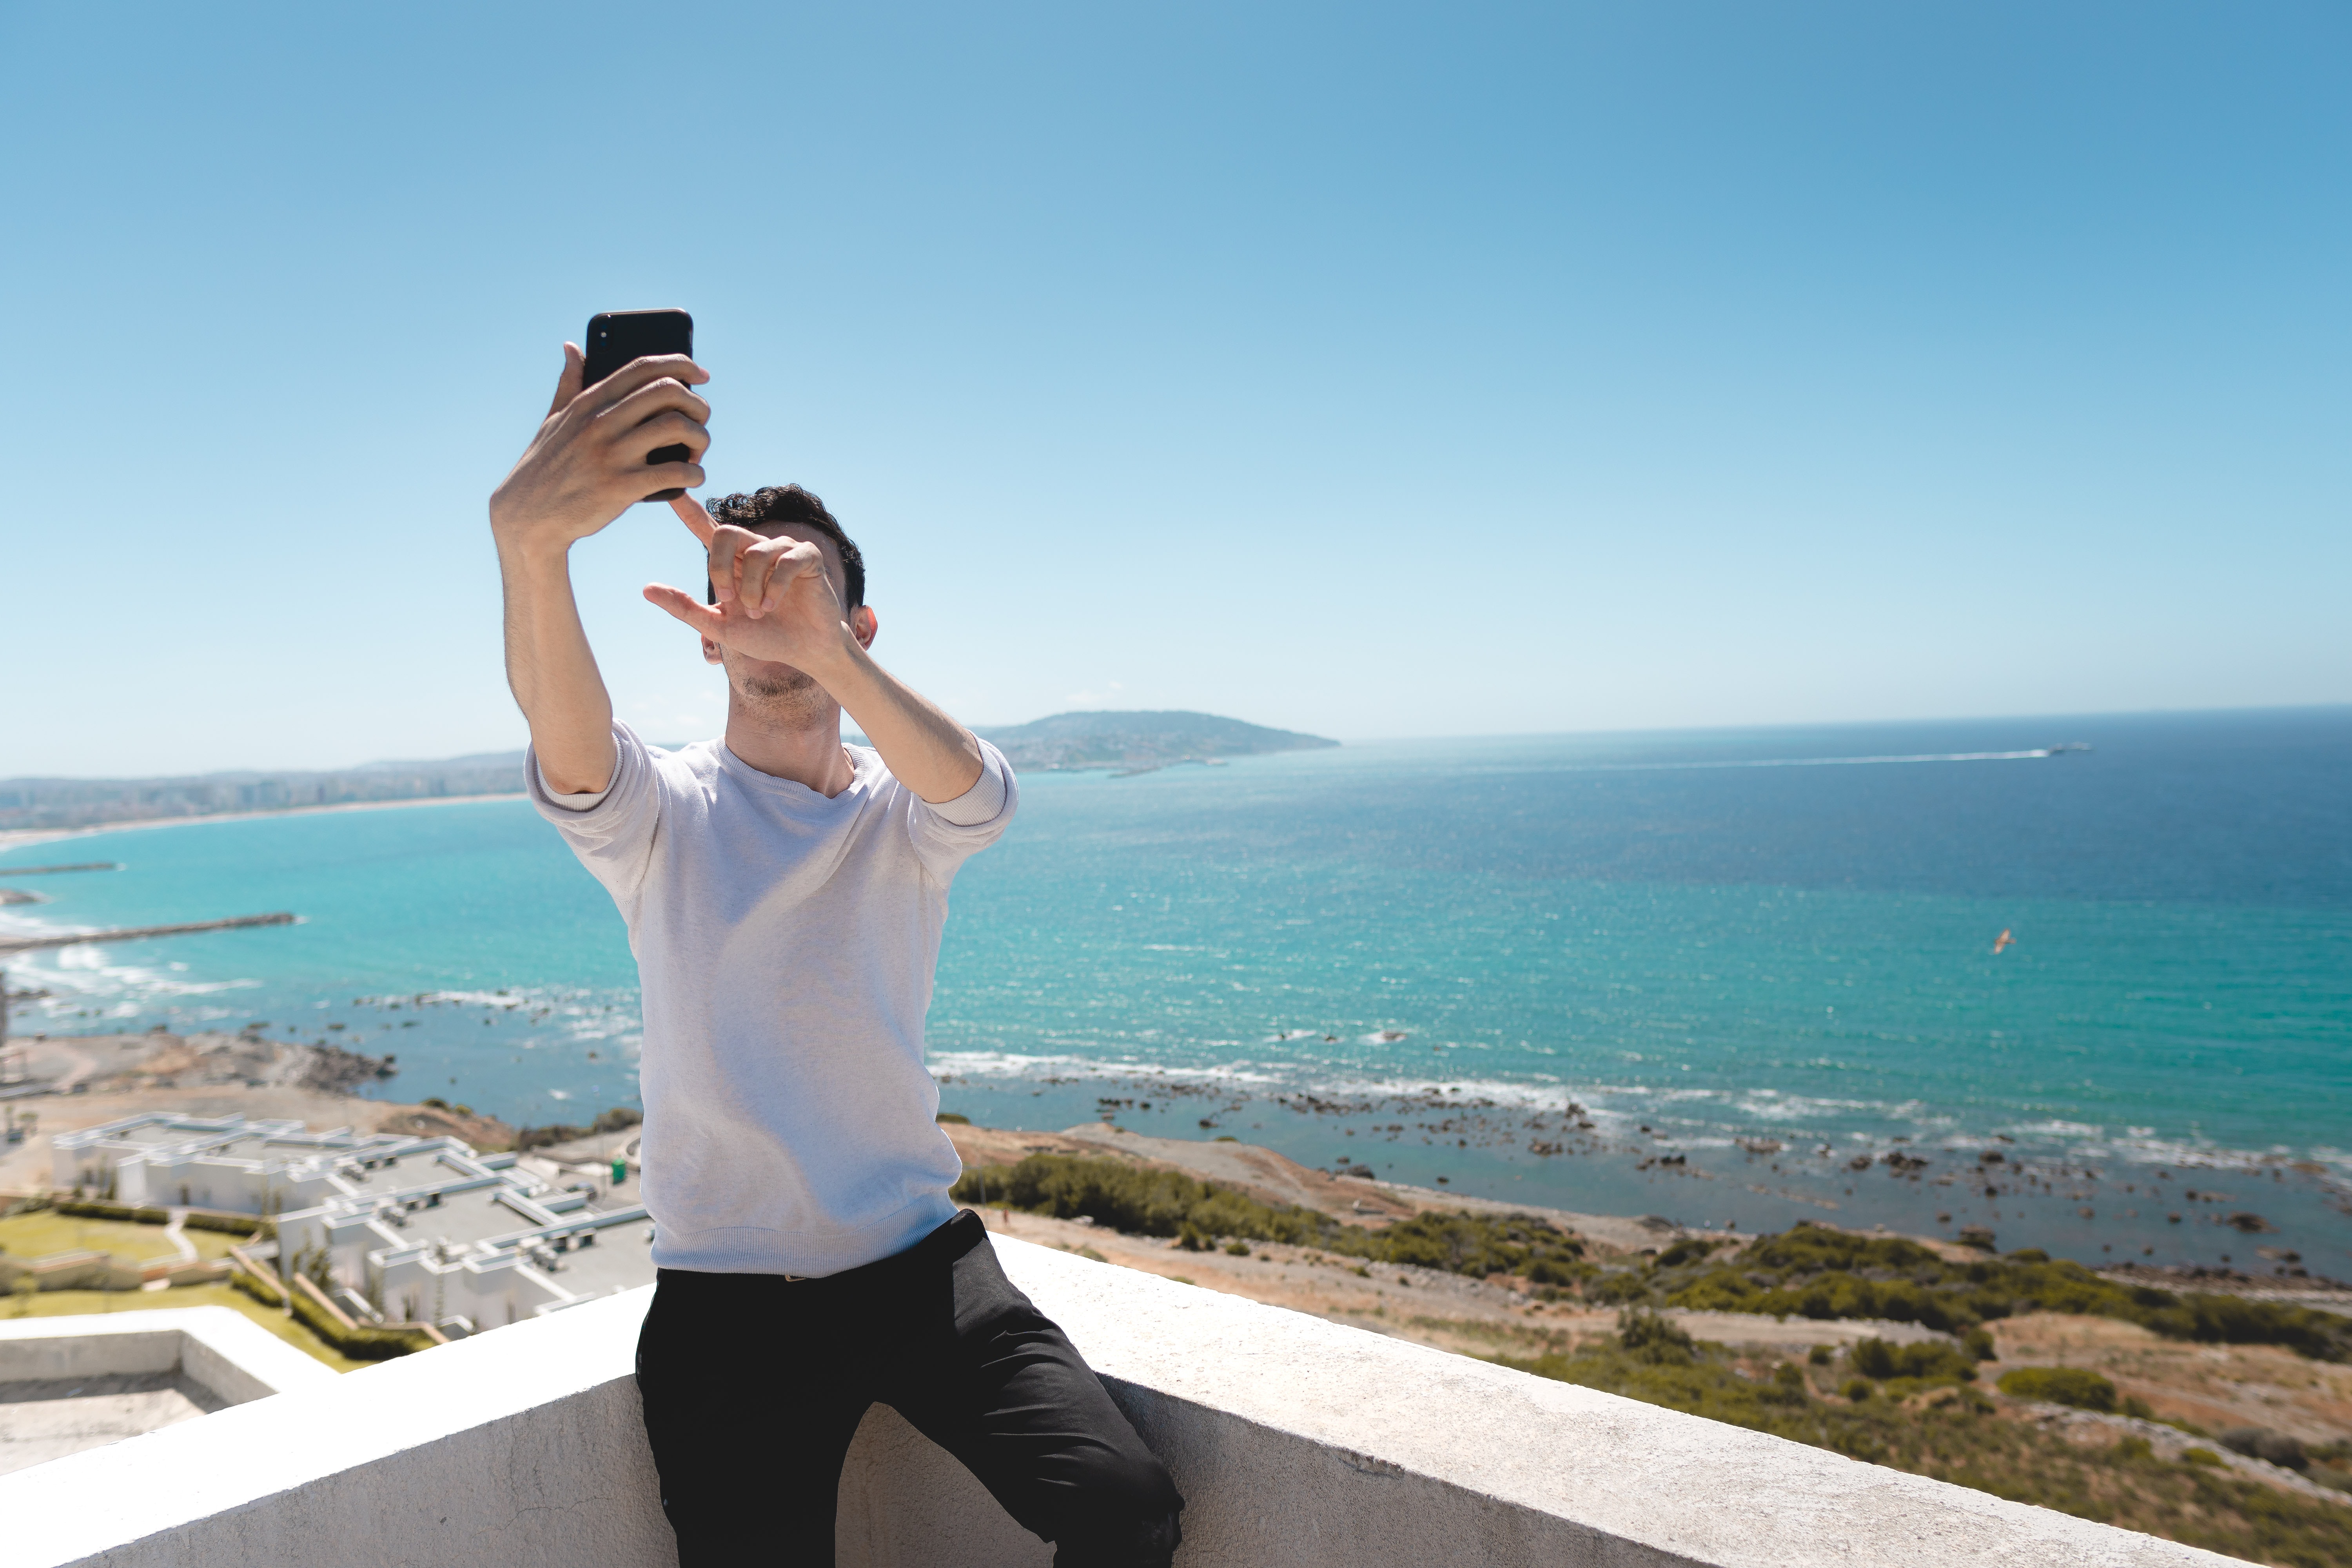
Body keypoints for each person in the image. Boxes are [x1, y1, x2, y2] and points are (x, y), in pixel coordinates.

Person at [488, 343, 1183, 1566]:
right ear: (704, 637)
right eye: (736, 593)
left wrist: (828, 658)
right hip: (723, 1306)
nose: (761, 613)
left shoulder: (898, 813)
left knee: (1124, 1508)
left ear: (858, 624)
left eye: (796, 592)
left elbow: (984, 796)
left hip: (924, 1273)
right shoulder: (665, 816)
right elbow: (572, 744)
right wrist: (532, 547)